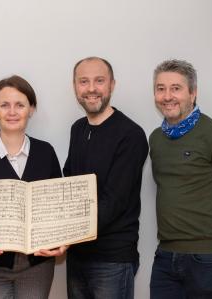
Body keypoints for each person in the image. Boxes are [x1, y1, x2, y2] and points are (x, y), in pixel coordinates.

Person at [149, 59, 212, 299]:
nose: (167, 96)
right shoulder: (156, 139)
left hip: (211, 260)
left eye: (176, 88)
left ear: (193, 93)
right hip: (165, 257)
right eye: (160, 88)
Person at [0, 75, 64, 299]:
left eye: (20, 105)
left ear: (31, 109)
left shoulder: (46, 153)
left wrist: (62, 243)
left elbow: (59, 209)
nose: (12, 112)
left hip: (37, 267)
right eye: (4, 105)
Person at [63, 57, 148, 299]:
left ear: (112, 85)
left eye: (99, 81)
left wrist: (65, 236)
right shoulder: (78, 129)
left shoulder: (131, 134)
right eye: (84, 81)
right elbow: (69, 182)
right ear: (75, 87)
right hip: (78, 256)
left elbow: (114, 202)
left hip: (112, 260)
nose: (91, 89)